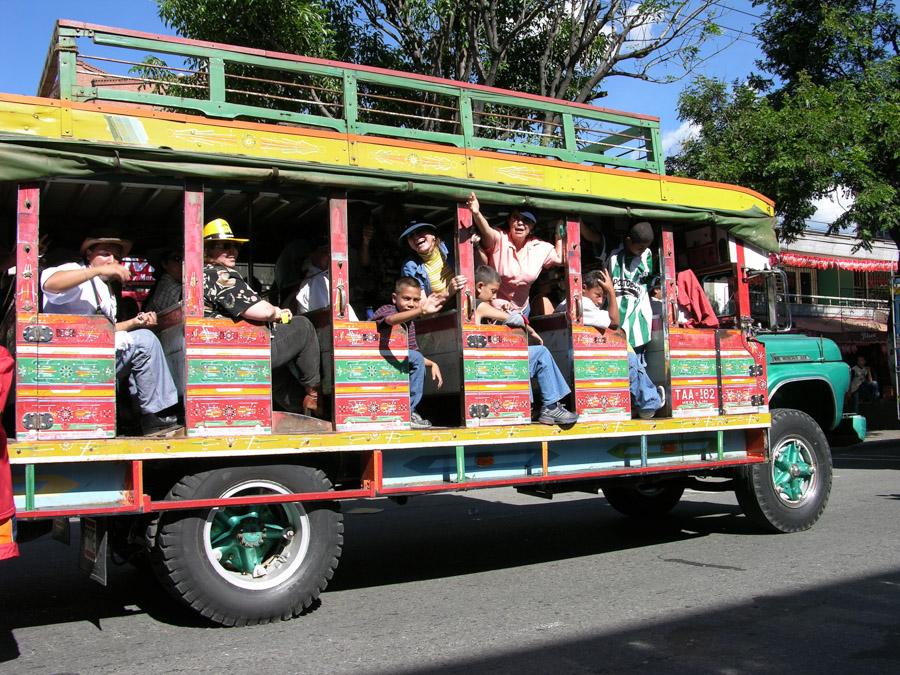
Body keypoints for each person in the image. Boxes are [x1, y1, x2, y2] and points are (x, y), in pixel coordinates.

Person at [40, 231, 179, 435]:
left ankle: (141, 417)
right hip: (70, 360)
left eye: (116, 258)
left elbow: (106, 331)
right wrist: (95, 271)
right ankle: (154, 415)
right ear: (89, 254)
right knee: (145, 341)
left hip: (96, 356)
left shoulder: (104, 289)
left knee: (142, 340)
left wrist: (135, 321)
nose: (111, 261)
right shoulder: (74, 270)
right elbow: (50, 284)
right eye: (105, 254)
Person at [202, 218, 322, 415]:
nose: (233, 251)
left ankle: (298, 412)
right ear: (208, 251)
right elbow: (262, 311)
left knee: (279, 368)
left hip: (226, 345)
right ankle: (314, 395)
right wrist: (276, 312)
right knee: (303, 326)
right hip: (239, 348)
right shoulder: (219, 275)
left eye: (235, 246)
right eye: (225, 246)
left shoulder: (200, 275)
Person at [474, 266, 578, 425]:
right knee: (540, 353)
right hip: (488, 364)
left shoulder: (476, 306)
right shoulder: (479, 305)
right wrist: (530, 330)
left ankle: (542, 405)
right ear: (480, 286)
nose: (494, 297)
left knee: (528, 354)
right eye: (493, 291)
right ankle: (550, 406)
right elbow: (515, 320)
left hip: (489, 361)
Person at [556, 269, 664, 419]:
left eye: (604, 296)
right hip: (588, 361)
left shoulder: (565, 304)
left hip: (578, 359)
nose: (601, 301)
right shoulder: (582, 305)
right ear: (583, 288)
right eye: (598, 295)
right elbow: (614, 322)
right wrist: (612, 293)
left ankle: (641, 399)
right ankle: (648, 402)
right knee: (628, 356)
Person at [467, 192, 564, 316]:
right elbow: (486, 231)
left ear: (532, 226)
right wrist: (476, 213)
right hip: (494, 309)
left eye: (526, 220)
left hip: (523, 311)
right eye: (516, 218)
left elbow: (560, 259)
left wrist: (559, 234)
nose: (520, 223)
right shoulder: (500, 238)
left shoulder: (540, 247)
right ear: (509, 221)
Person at [372, 277, 444, 429]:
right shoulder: (387, 310)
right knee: (416, 358)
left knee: (417, 359)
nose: (411, 304)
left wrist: (432, 363)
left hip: (393, 358)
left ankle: (410, 409)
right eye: (406, 299)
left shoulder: (410, 323)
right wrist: (421, 310)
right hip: (373, 355)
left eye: (416, 300)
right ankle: (409, 411)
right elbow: (391, 320)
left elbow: (413, 351)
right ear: (394, 298)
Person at [608, 221, 654, 354]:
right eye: (640, 248)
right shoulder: (614, 255)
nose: (642, 251)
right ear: (628, 241)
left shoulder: (647, 256)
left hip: (638, 329)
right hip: (615, 324)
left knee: (637, 368)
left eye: (645, 248)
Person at [398, 221, 467, 302]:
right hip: (443, 312)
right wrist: (448, 293)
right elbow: (423, 308)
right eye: (410, 235)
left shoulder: (450, 244)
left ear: (433, 235)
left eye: (420, 231)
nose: (416, 237)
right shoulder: (410, 266)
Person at [293, 240, 359, 320]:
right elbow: (326, 315)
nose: (329, 256)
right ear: (314, 255)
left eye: (330, 252)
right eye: (324, 252)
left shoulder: (320, 277)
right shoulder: (317, 280)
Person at [143, 248, 183, 316]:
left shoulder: (162, 284)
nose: (183, 263)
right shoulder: (168, 286)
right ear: (164, 264)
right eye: (177, 259)